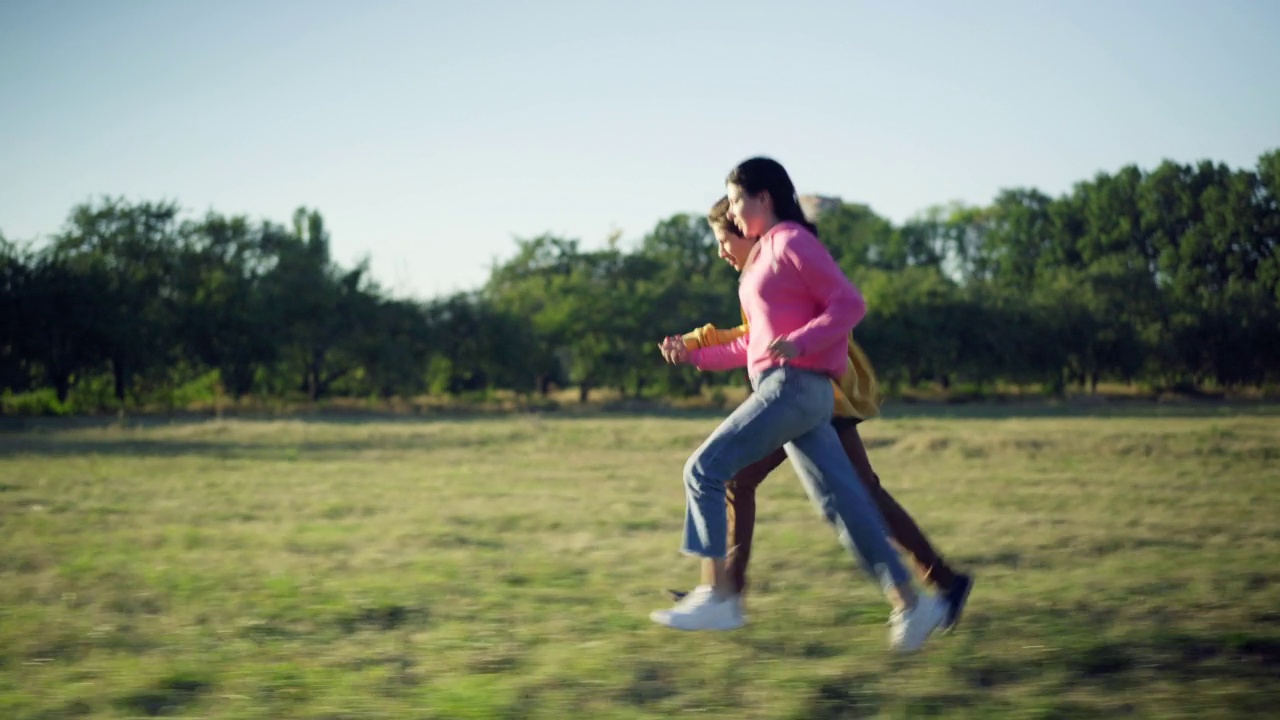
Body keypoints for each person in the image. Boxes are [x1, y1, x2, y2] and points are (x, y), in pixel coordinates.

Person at [648, 157, 948, 652]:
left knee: (704, 469)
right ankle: (914, 605)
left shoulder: (791, 242)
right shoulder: (765, 255)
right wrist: (696, 354)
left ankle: (718, 594)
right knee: (845, 507)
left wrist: (803, 342)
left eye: (738, 199)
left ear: (764, 197)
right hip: (793, 390)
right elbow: (751, 344)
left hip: (792, 386)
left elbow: (849, 304)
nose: (734, 211)